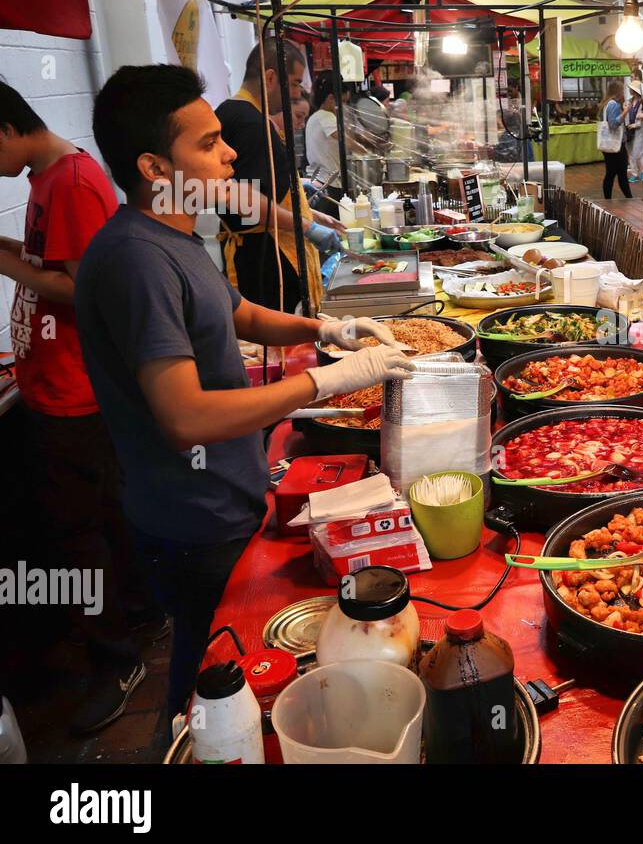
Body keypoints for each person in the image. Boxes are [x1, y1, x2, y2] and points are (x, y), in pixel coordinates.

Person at [79, 64, 415, 719]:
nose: (230, 151)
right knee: (215, 674)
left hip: (230, 490)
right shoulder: (135, 260)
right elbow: (184, 416)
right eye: (206, 143)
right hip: (193, 515)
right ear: (154, 166)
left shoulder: (176, 237)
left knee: (224, 661)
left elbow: (238, 313)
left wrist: (330, 327)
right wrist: (328, 379)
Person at [0, 81, 157, 735]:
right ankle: (132, 625)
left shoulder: (72, 181)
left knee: (81, 535)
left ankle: (119, 660)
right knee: (91, 527)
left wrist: (8, 266)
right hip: (50, 387)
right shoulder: (45, 178)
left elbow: (78, 288)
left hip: (76, 392)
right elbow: (47, 262)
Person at [215, 37, 344, 313]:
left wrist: (311, 214)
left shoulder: (230, 112)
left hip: (256, 252)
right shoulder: (251, 124)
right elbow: (242, 199)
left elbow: (263, 190)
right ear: (271, 77)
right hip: (267, 258)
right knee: (284, 346)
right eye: (295, 83)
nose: (296, 93)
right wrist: (306, 227)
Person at [599, 81, 632, 200]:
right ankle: (629, 197)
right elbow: (613, 123)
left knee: (612, 172)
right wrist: (625, 112)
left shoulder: (606, 104)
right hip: (616, 144)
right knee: (620, 172)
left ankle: (609, 198)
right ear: (618, 91)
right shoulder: (613, 104)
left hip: (608, 144)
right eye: (622, 90)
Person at [623, 82, 643, 183]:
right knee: (630, 153)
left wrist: (636, 124)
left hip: (639, 130)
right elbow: (626, 114)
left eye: (631, 88)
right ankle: (634, 174)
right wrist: (627, 124)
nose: (629, 89)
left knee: (638, 153)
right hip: (629, 131)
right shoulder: (628, 101)